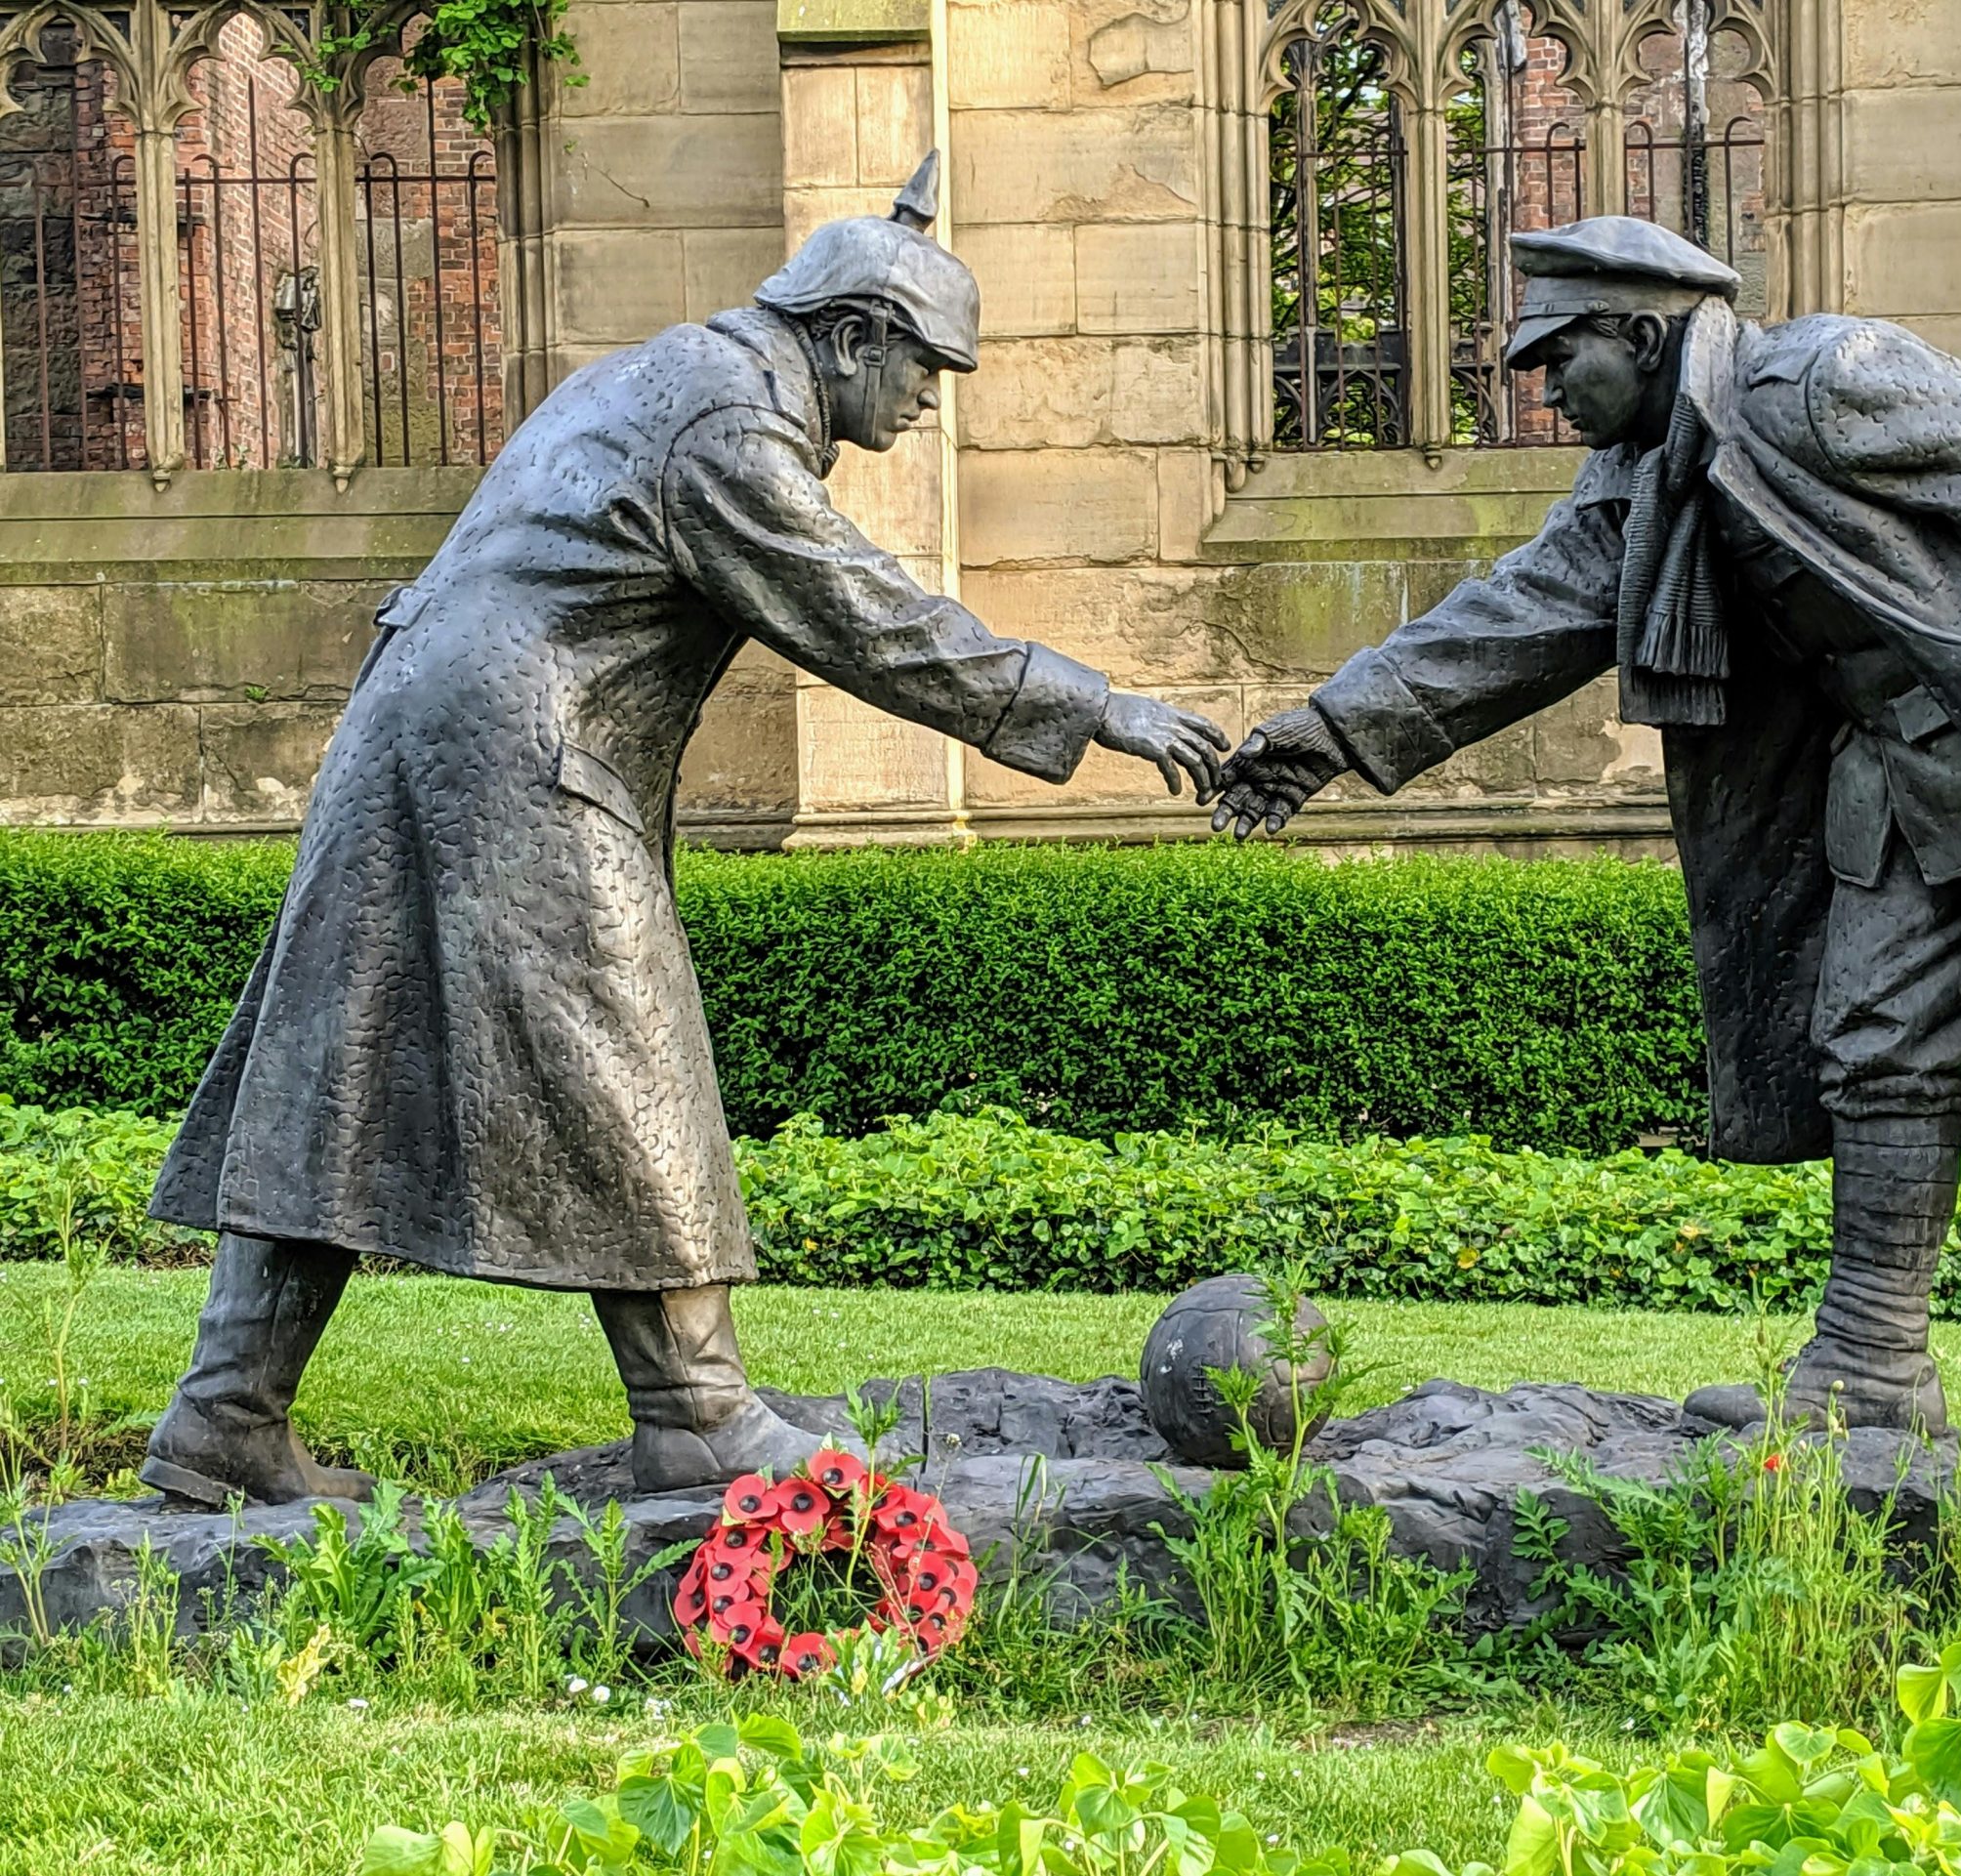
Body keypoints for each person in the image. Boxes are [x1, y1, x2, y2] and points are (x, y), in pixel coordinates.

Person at [142, 158, 1229, 1507]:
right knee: (626, 1048)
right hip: (517, 757)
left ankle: (225, 1414)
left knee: (344, 1060)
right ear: (850, 337)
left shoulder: (661, 372)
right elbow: (866, 619)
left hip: (417, 738)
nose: (928, 401)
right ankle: (696, 1407)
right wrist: (1099, 704)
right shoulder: (727, 424)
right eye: (922, 369)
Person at [1212, 216, 1961, 1433]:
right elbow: (1507, 623)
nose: (1546, 390)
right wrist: (1320, 736)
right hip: (1909, 781)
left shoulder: (1820, 379)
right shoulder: (1642, 481)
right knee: (1876, 1042)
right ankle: (1874, 1365)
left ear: (1642, 331)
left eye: (1558, 357)